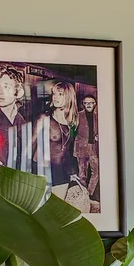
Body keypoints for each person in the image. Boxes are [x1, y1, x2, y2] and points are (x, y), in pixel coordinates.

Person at [38, 80, 98, 211]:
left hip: (63, 172)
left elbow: (69, 150)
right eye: (54, 94)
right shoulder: (45, 118)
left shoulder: (73, 121)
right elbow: (31, 149)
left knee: (58, 212)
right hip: (45, 171)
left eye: (60, 94)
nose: (55, 97)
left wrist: (72, 172)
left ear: (69, 97)